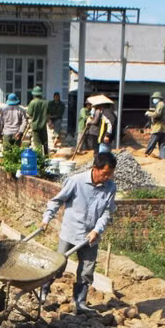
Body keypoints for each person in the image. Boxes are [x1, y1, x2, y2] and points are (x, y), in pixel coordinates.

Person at [41, 151, 117, 314]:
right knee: (58, 266)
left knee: (87, 270)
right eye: (105, 174)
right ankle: (43, 291)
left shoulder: (111, 187)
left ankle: (80, 302)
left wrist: (97, 230)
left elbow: (107, 212)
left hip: (91, 237)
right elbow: (57, 200)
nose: (108, 177)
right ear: (95, 168)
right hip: (70, 232)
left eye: (110, 174)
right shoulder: (76, 181)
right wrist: (47, 218)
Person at [144, 91, 165, 159]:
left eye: (154, 98)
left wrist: (149, 113)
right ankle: (163, 158)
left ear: (158, 98)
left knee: (152, 142)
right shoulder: (161, 105)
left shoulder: (160, 104)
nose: (153, 100)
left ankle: (146, 155)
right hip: (164, 129)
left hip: (159, 128)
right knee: (162, 145)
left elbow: (157, 114)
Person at [27, 86, 49, 156]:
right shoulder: (46, 103)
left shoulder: (32, 103)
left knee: (37, 143)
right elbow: (48, 113)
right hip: (43, 125)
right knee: (45, 142)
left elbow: (29, 113)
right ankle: (46, 156)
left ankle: (39, 158)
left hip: (35, 126)